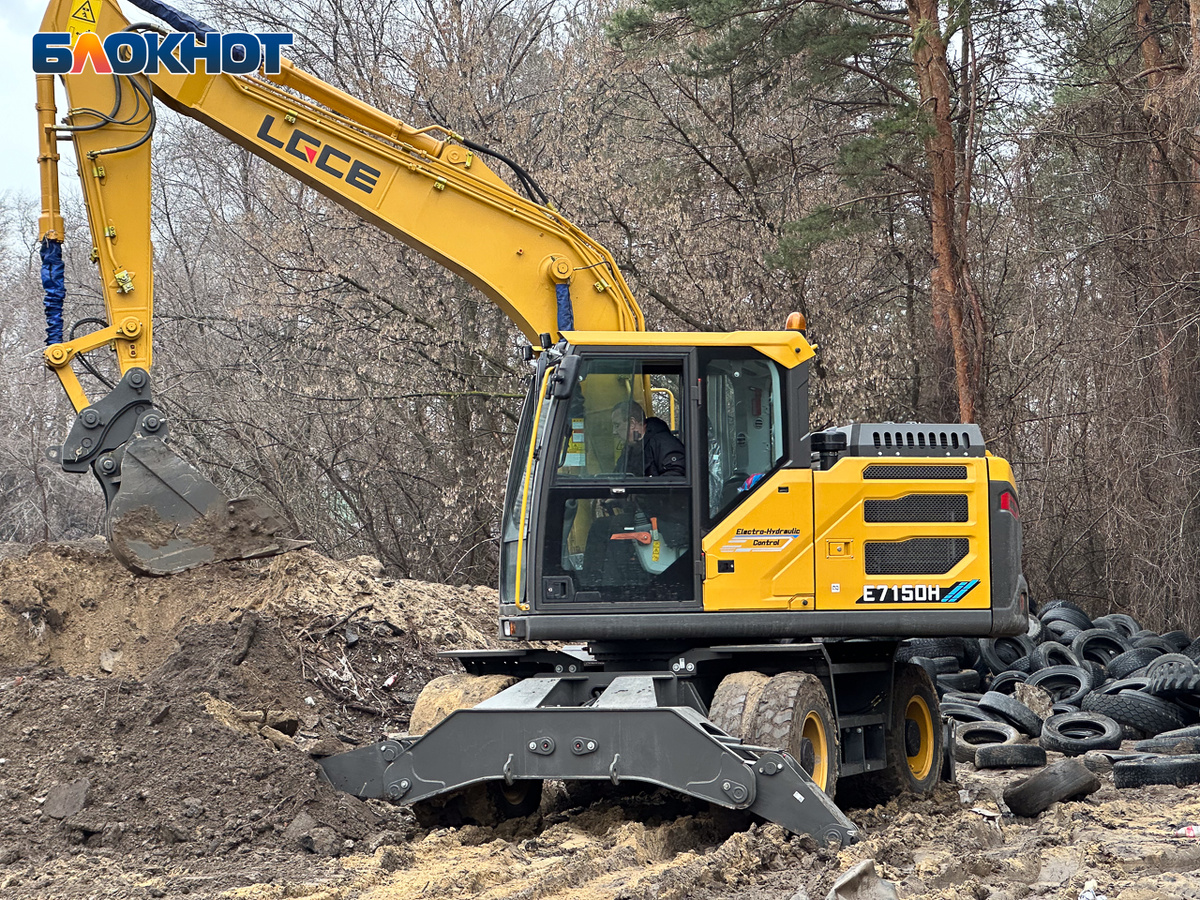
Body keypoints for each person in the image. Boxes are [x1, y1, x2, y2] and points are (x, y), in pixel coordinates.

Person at [610, 400, 685, 477]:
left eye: (617, 425)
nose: (614, 432)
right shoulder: (628, 451)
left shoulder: (665, 445)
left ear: (632, 423)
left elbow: (675, 479)